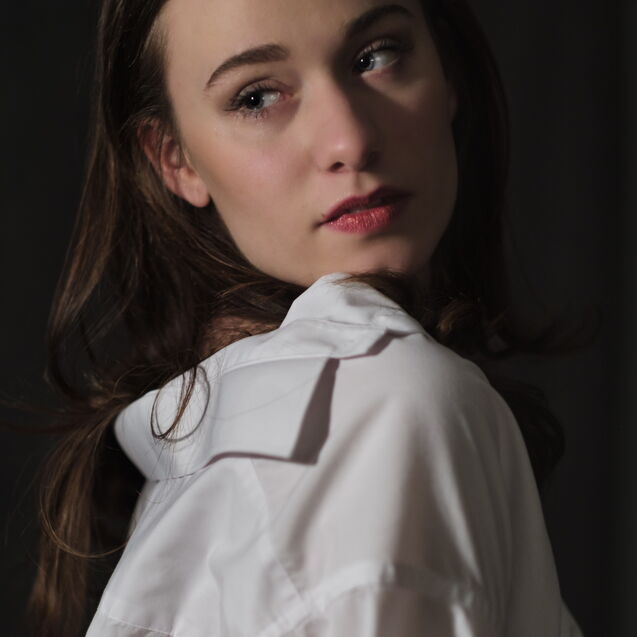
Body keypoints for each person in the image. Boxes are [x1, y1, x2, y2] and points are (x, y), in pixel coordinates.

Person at [26, 0, 589, 635]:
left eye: (375, 56)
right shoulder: (384, 406)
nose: (350, 140)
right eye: (257, 98)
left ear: (446, 70)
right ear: (175, 160)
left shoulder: (227, 445)